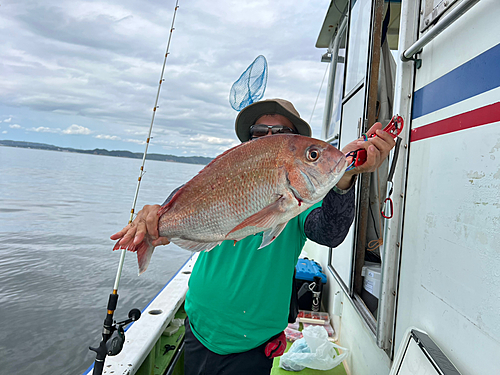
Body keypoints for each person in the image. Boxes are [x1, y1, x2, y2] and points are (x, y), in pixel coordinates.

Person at [111, 99, 395, 375]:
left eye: (282, 133)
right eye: (259, 133)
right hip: (198, 323)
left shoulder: (301, 204)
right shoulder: (223, 176)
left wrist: (346, 176)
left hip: (254, 342)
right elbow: (177, 210)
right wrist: (151, 219)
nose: (268, 138)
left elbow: (330, 232)